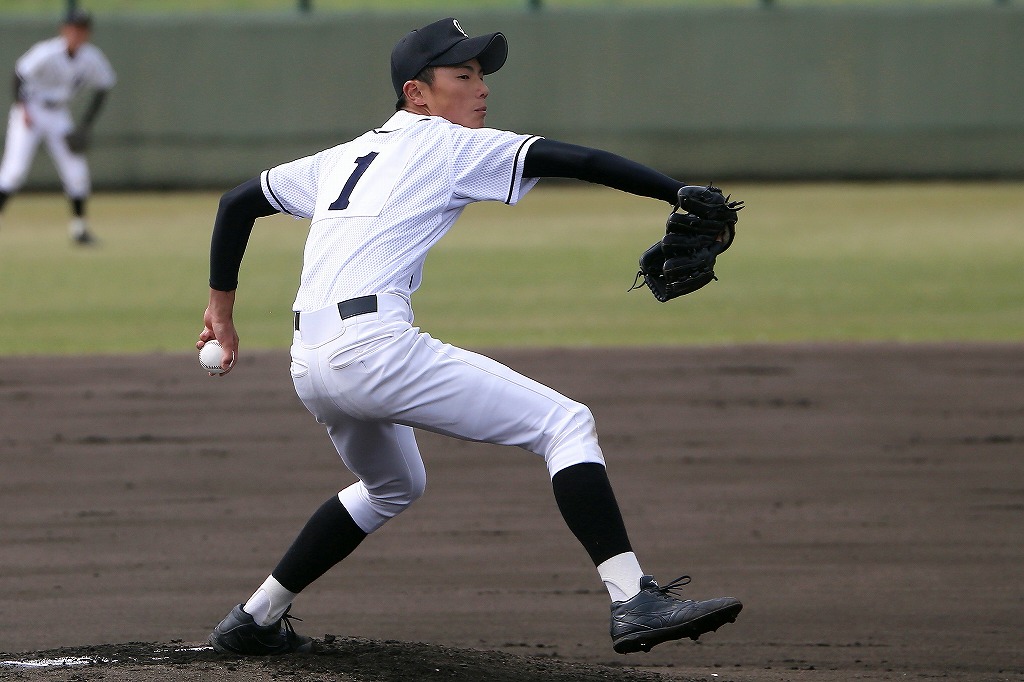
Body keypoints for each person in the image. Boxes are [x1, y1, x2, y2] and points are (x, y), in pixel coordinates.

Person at [200, 17, 742, 657]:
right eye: (464, 74)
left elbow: (238, 201)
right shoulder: (446, 145)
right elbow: (575, 158)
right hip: (373, 350)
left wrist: (221, 313)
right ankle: (633, 599)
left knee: (393, 489)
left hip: (310, 365)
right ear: (417, 93)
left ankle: (254, 618)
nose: (481, 88)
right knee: (566, 424)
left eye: (482, 74)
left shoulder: (343, 157)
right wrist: (673, 190)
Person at [0, 9, 116, 245]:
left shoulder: (91, 58)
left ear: (87, 33)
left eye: (81, 29)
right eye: (73, 28)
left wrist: (84, 125)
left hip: (58, 114)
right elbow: (19, 74)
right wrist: (22, 108)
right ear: (64, 30)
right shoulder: (47, 52)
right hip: (31, 108)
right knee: (13, 172)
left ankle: (79, 230)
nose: (76, 33)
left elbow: (105, 85)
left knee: (77, 173)